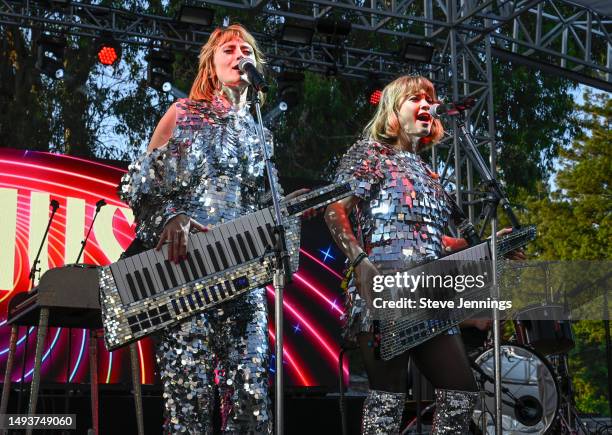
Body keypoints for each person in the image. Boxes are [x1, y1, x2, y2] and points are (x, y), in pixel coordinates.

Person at [325, 75, 523, 434]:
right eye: (415, 98)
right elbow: (333, 211)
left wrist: (492, 247)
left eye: (430, 99)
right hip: (385, 291)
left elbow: (435, 241)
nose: (426, 105)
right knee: (388, 402)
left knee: (461, 394)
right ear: (393, 111)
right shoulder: (370, 154)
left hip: (429, 296)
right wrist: (358, 261)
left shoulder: (431, 176)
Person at [119, 24, 283, 434]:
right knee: (189, 393)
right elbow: (139, 187)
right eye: (228, 49)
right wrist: (173, 216)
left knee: (251, 392)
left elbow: (263, 203)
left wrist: (289, 209)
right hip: (187, 271)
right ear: (211, 64)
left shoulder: (260, 132)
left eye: (246, 49)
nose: (239, 54)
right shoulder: (183, 113)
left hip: (243, 274)